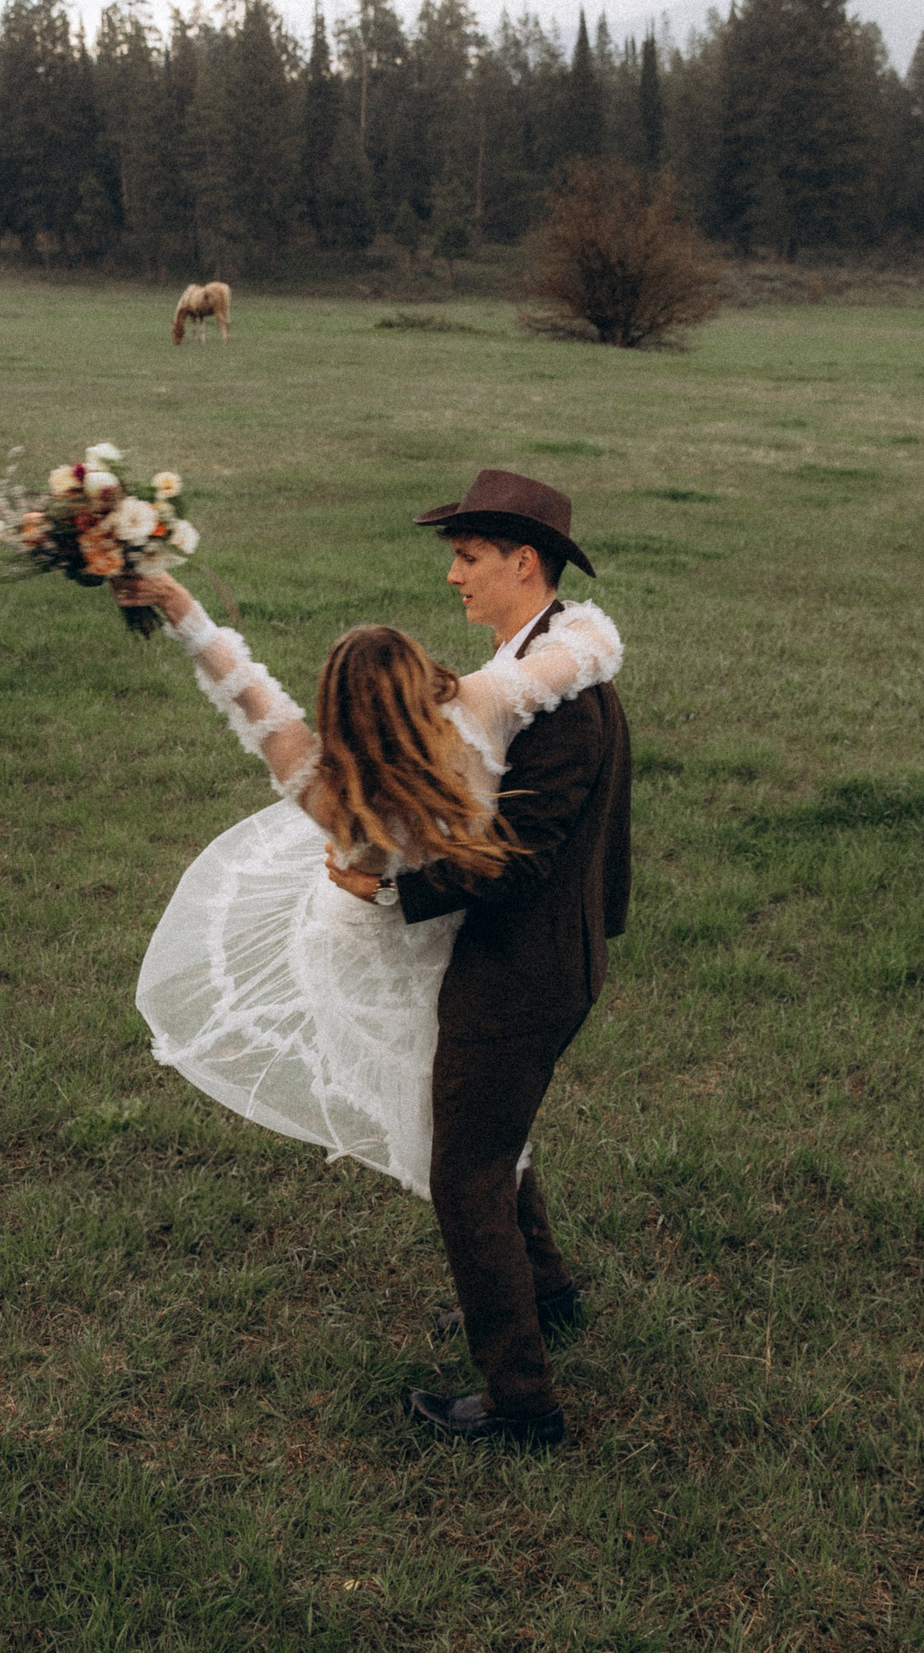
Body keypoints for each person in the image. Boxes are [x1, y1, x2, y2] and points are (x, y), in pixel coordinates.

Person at [114, 469, 630, 1447]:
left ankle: (522, 1403)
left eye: (468, 557)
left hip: (522, 967)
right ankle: (544, 1298)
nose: (451, 577)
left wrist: (387, 886)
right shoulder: (532, 675)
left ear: (524, 563)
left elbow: (524, 857)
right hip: (485, 961)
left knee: (468, 1169)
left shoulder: (561, 704)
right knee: (493, 1139)